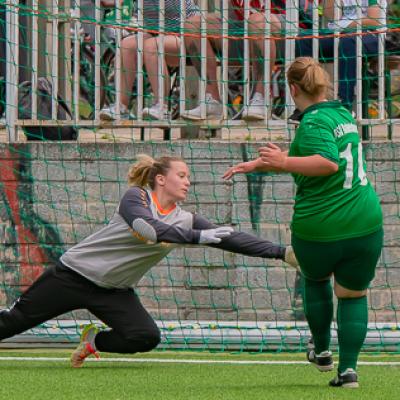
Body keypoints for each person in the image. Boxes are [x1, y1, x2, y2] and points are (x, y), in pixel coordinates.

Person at [0, 154, 298, 368]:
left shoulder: (185, 218)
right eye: (182, 175)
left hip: (114, 291)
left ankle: (93, 341)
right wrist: (196, 237)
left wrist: (281, 253)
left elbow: (230, 237)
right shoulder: (136, 197)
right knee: (13, 323)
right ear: (160, 179)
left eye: (189, 177)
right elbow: (148, 229)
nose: (188, 182)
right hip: (72, 276)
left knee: (144, 337)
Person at [223, 57, 383, 388]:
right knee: (353, 294)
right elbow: (318, 159)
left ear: (293, 88)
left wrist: (282, 160)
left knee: (315, 278)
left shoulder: (311, 123)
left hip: (320, 225)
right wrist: (263, 164)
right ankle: (349, 371)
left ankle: (322, 351)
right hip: (365, 222)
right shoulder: (342, 115)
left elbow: (326, 163)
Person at [181, 1, 284, 121]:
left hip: (287, 30)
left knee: (257, 20)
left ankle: (260, 98)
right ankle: (212, 100)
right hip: (245, 30)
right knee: (193, 24)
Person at [99, 0, 200, 120]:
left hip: (186, 35)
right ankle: (121, 106)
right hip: (155, 33)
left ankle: (162, 107)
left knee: (152, 46)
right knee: (125, 45)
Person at [296, 0, 387, 111]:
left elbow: (374, 21)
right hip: (341, 33)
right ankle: (305, 104)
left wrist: (343, 26)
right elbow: (332, 16)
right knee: (302, 41)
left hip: (371, 35)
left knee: (348, 42)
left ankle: (344, 105)